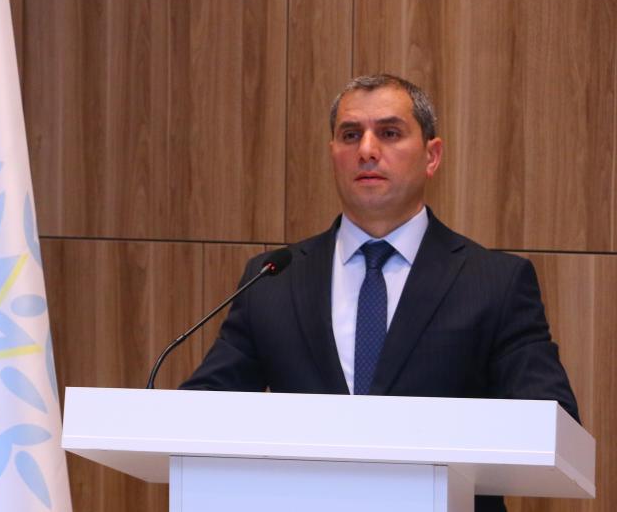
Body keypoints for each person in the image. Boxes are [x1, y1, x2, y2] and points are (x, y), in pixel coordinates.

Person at [181, 74, 578, 512]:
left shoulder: (495, 282)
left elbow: (552, 417)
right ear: (333, 153)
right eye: (350, 135)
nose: (367, 150)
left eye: (389, 133)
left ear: (431, 156)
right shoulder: (273, 279)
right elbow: (202, 410)